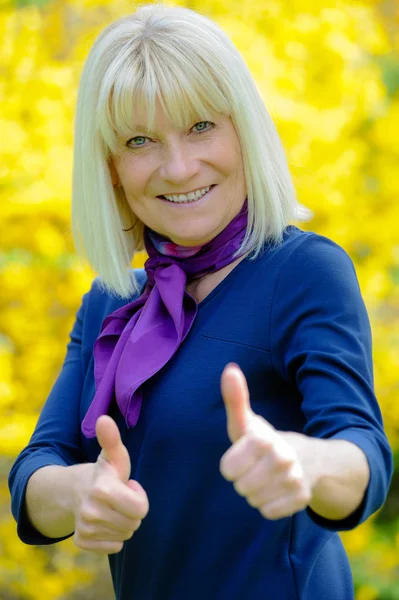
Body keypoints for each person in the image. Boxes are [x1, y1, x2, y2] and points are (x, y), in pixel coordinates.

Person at [8, 3, 393, 600]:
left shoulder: (304, 271)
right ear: (110, 166)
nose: (179, 166)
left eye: (201, 126)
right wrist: (79, 493)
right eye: (140, 140)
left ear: (245, 128)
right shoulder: (109, 302)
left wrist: (304, 464)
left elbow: (362, 449)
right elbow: (37, 469)